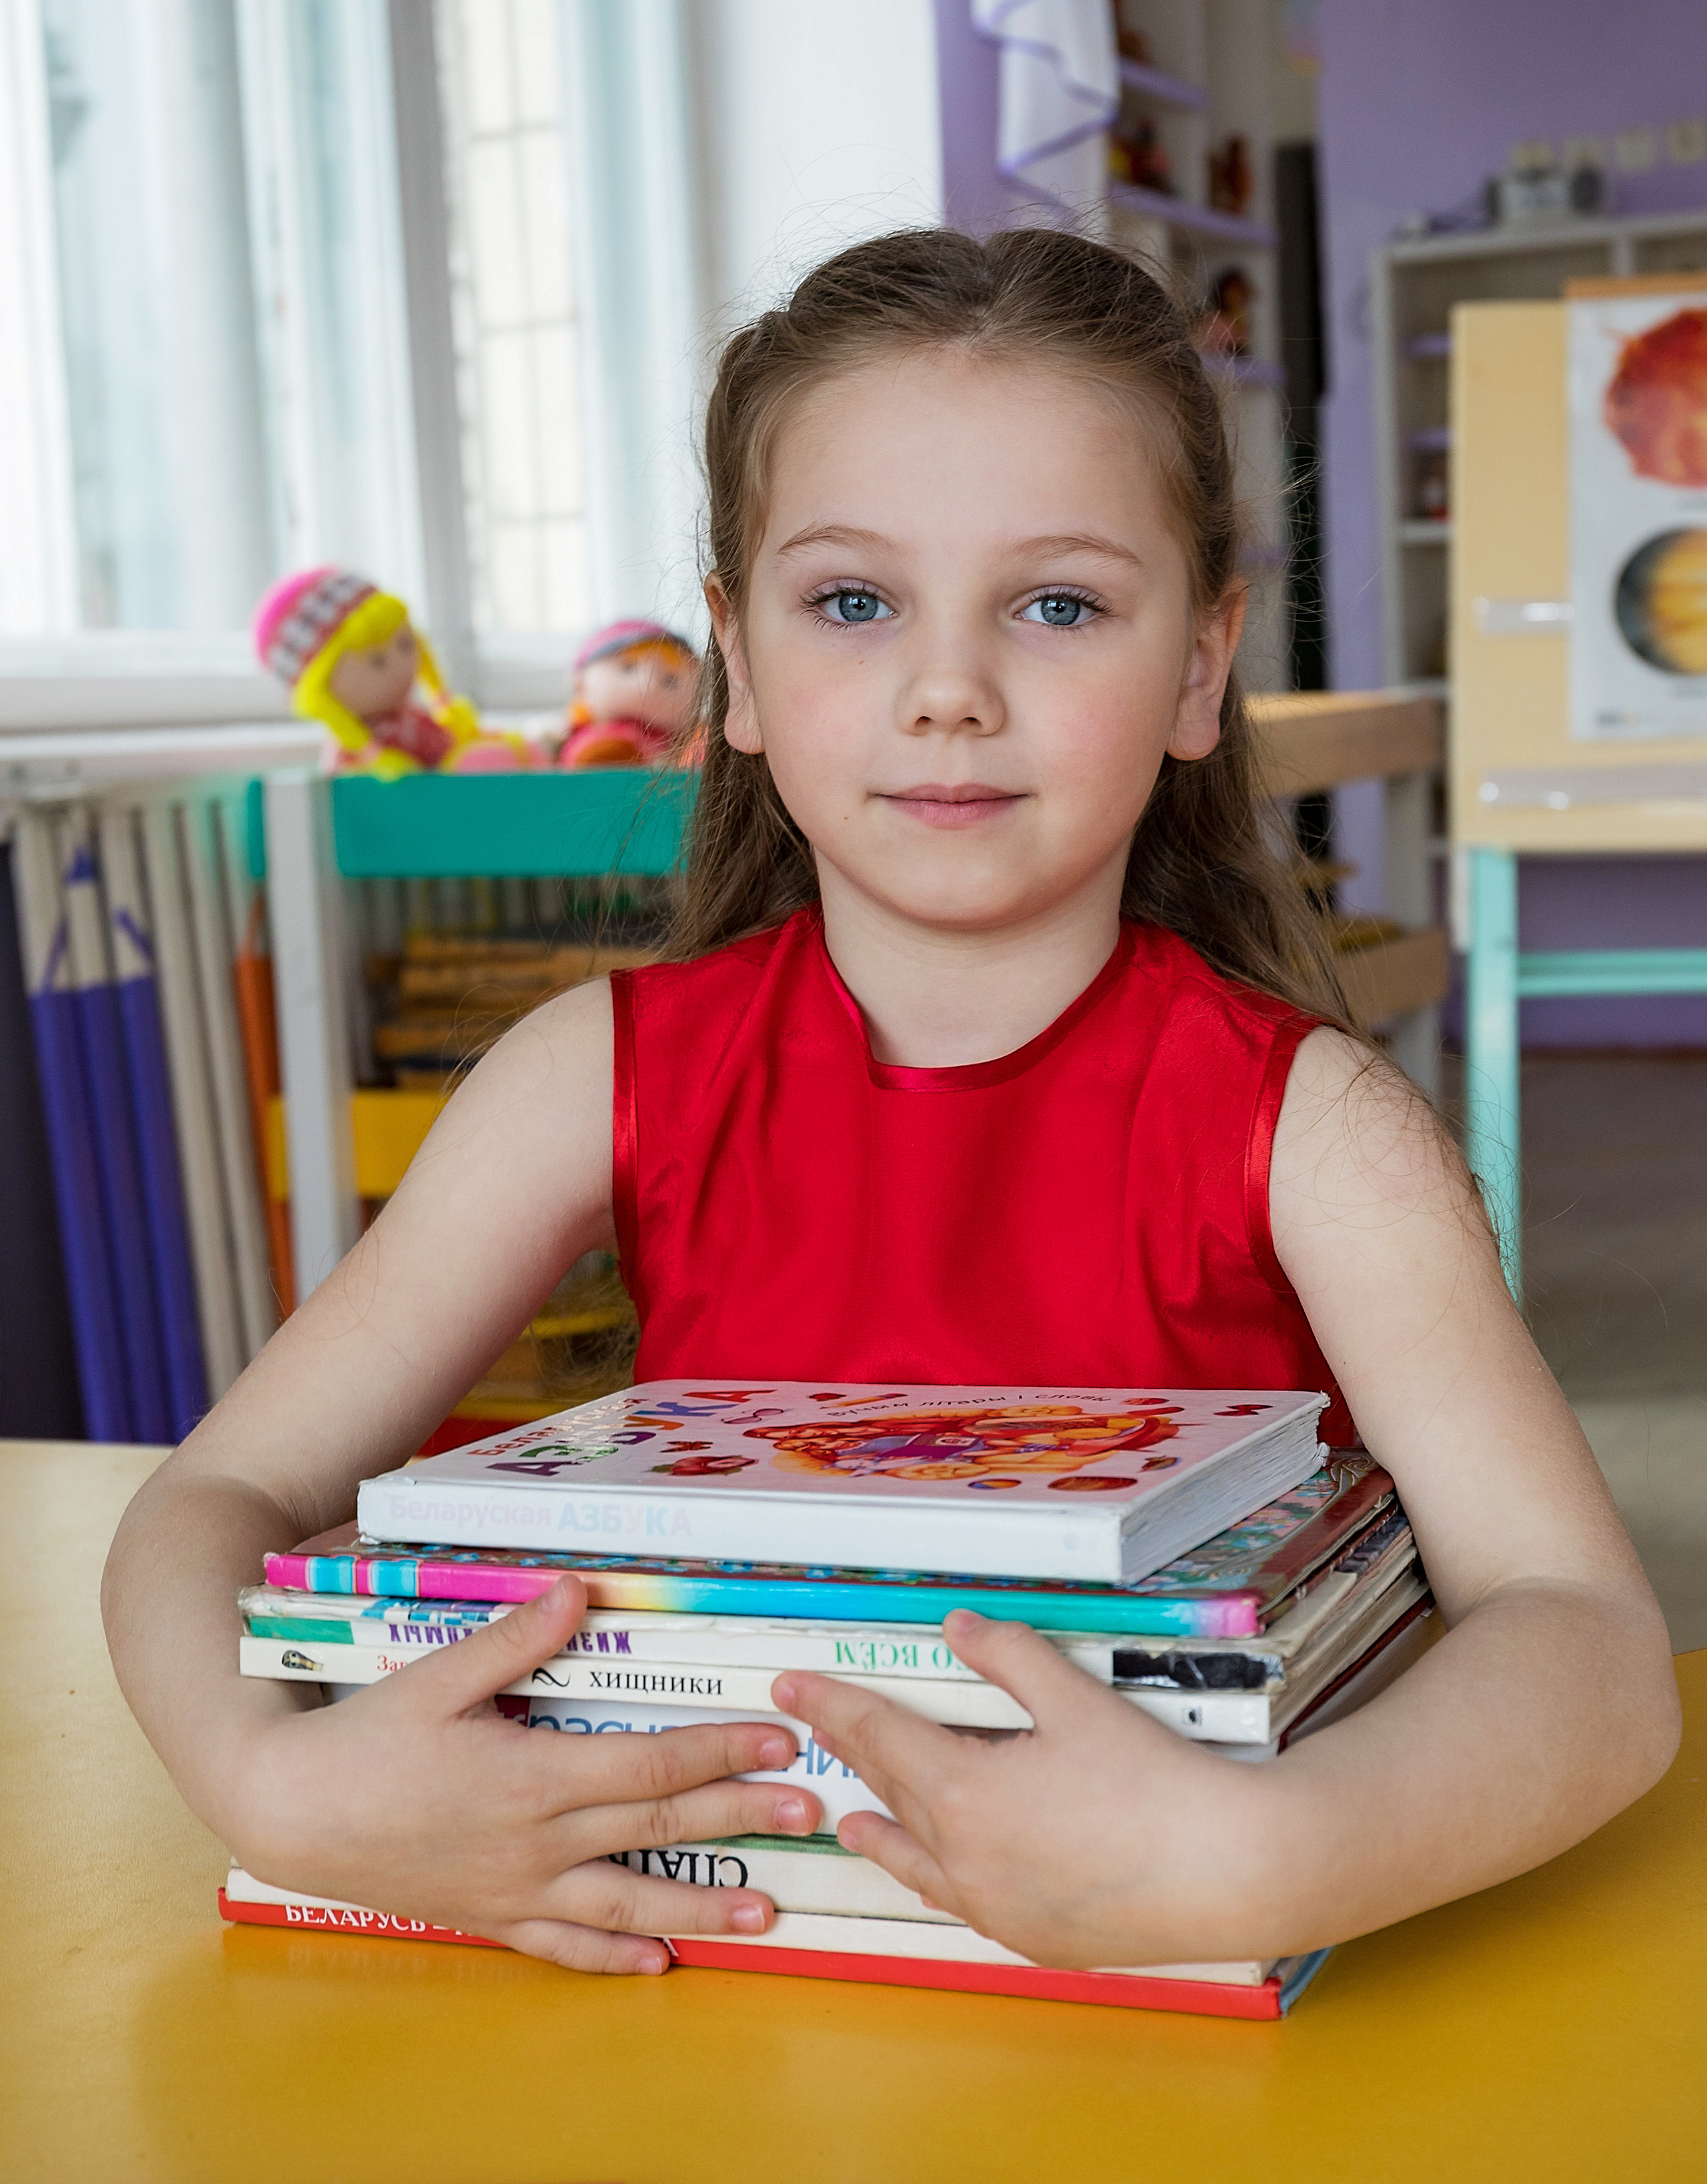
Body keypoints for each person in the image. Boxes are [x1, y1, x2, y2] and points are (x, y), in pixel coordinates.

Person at [104, 227, 1679, 1979]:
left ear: (1198, 668)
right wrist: (267, 1778)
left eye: (1058, 603)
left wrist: (1281, 1854)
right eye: (853, 602)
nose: (948, 687)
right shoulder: (588, 1074)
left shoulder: (1322, 1130)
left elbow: (1592, 1646)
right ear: (741, 665)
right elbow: (208, 1498)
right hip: (714, 2013)